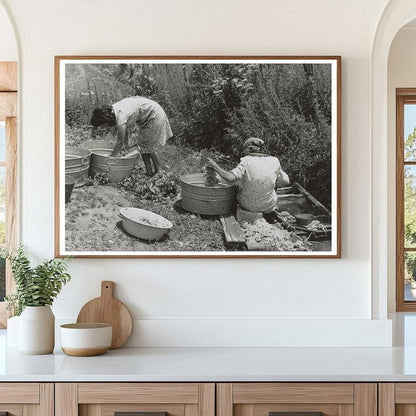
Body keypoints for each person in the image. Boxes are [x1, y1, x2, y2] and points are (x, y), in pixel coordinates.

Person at [206, 137, 290, 223]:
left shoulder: (246, 161)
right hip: (268, 206)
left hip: (248, 206)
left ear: (250, 149)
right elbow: (286, 181)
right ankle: (269, 214)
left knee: (237, 183)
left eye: (244, 150)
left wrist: (214, 166)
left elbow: (230, 179)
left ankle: (233, 210)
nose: (243, 152)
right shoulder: (274, 160)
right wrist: (271, 185)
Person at [91, 96, 173, 176]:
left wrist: (110, 158)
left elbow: (119, 142)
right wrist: (126, 145)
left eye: (103, 126)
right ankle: (149, 172)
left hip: (154, 114)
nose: (105, 128)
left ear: (106, 120)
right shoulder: (113, 111)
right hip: (146, 116)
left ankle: (158, 172)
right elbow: (124, 129)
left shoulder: (120, 116)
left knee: (151, 146)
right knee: (143, 145)